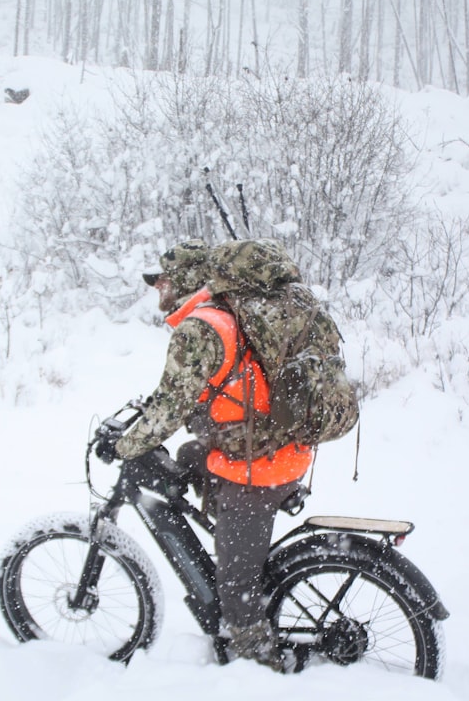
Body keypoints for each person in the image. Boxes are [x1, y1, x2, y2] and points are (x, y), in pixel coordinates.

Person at [111, 239, 314, 671]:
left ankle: (257, 662)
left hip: (257, 468)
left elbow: (172, 404)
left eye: (161, 281)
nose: (157, 290)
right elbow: (194, 392)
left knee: (236, 585)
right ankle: (227, 536)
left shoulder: (202, 327)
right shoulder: (229, 314)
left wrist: (123, 445)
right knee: (188, 456)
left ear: (182, 279)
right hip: (277, 448)